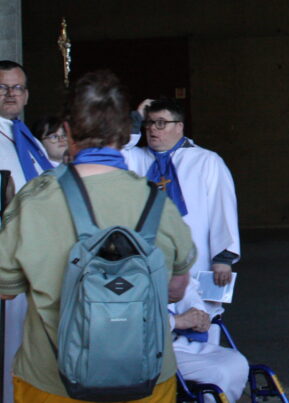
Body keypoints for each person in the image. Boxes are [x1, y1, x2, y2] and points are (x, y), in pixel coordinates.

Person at [0, 70, 195, 403]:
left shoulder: (34, 199)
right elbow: (176, 288)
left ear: (67, 130)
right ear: (124, 133)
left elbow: (6, 287)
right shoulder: (158, 201)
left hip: (52, 382)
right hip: (147, 380)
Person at [124, 99, 240, 301]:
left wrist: (223, 258)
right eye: (149, 123)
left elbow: (222, 208)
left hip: (196, 257)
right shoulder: (136, 158)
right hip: (147, 257)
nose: (152, 129)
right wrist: (135, 119)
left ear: (179, 126)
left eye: (161, 123)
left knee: (199, 311)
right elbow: (111, 153)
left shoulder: (206, 160)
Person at [0, 62, 53, 403]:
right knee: (9, 348)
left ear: (27, 95)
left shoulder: (27, 137)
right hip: (9, 257)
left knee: (28, 345)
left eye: (17, 88)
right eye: (2, 87)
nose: (11, 94)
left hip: (38, 258)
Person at [171, 278, 249, 402]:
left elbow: (188, 288)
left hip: (181, 340)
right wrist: (176, 321)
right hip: (154, 350)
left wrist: (199, 313)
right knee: (218, 373)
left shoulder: (168, 269)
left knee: (238, 362)